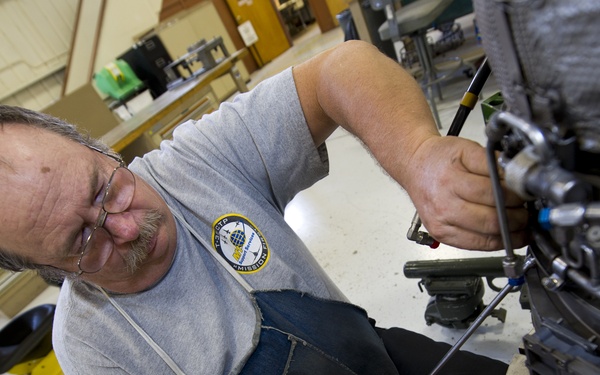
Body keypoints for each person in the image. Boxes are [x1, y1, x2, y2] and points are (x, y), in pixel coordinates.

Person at [0, 41, 528, 374]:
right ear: (52, 273)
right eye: (84, 242)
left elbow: (338, 72)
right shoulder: (93, 349)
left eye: (103, 188)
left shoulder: (195, 164)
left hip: (372, 353)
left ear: (95, 148)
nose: (126, 224)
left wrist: (418, 156)